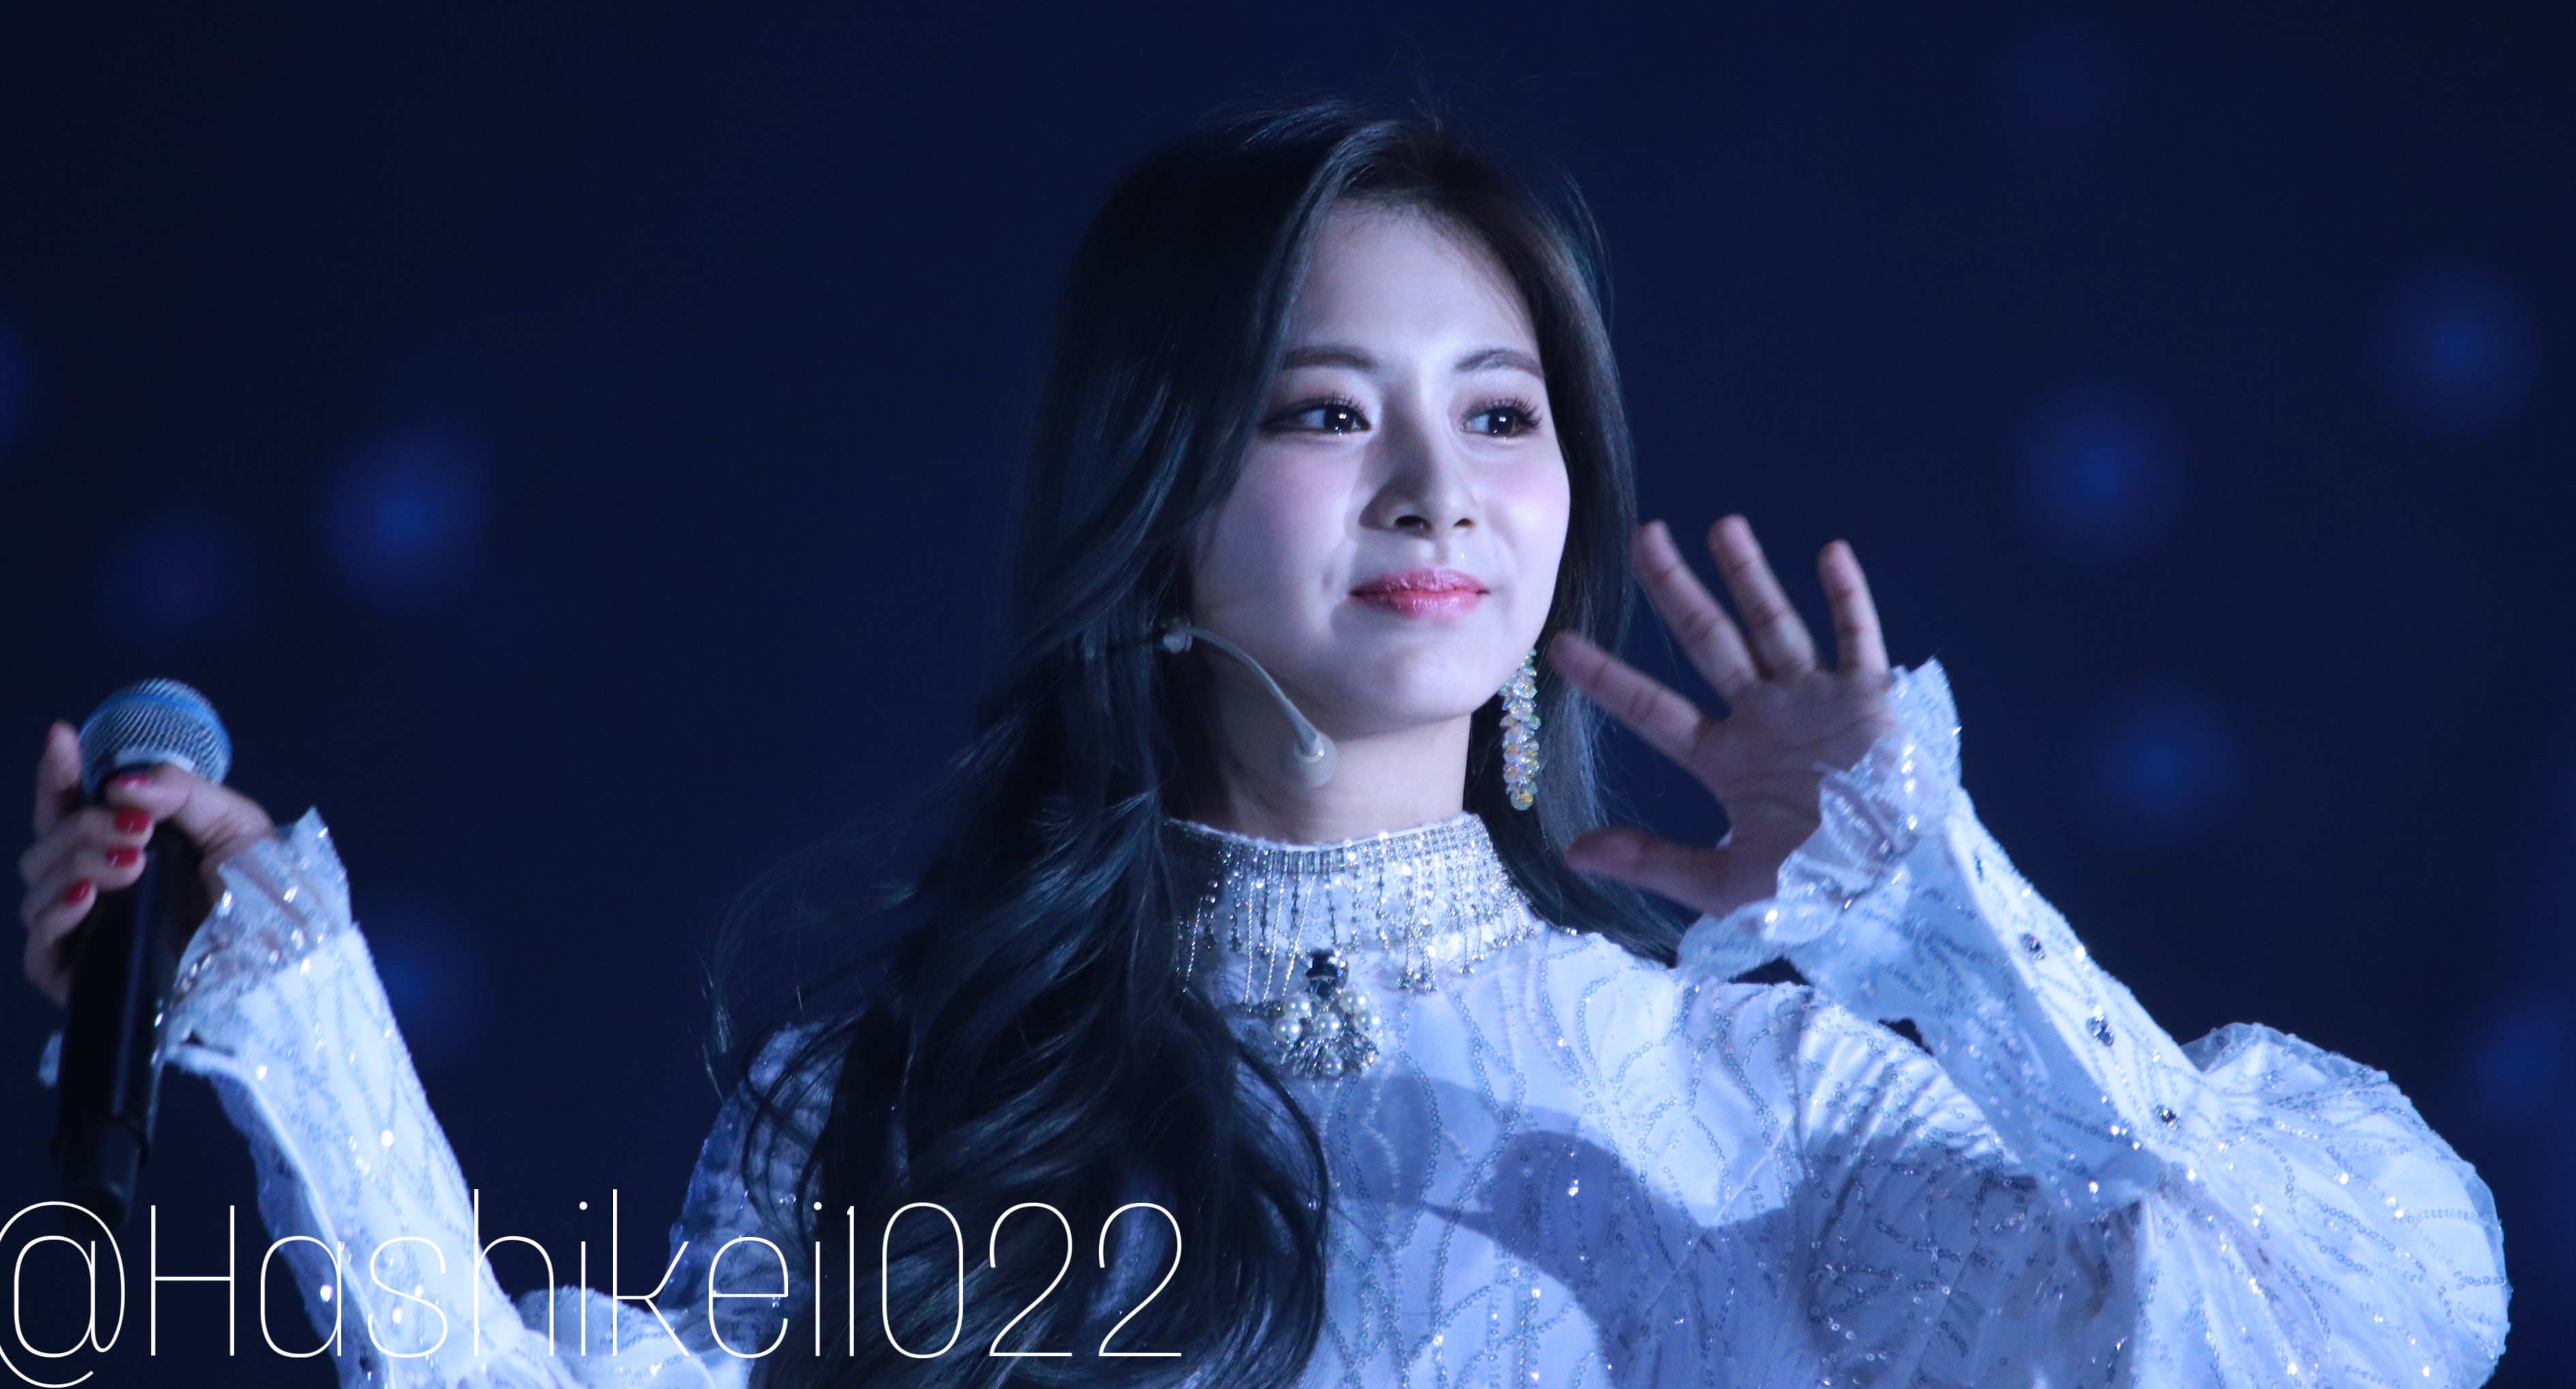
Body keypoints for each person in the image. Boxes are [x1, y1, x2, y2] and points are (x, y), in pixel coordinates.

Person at [18, 100, 2508, 1388]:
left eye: (1501, 412)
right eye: (1328, 409)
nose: (1439, 490)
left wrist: (1936, 920)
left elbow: (2337, 1327)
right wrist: (282, 1005)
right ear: (1158, 499)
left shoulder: (1756, 1100)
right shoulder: (903, 1092)